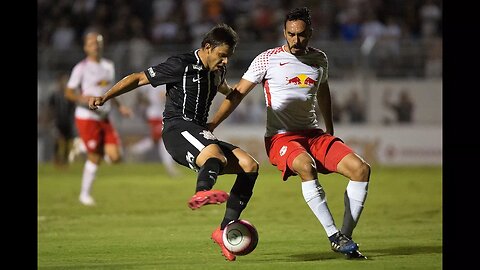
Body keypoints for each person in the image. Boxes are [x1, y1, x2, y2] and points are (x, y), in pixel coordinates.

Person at [208, 7, 370, 259]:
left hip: (314, 134)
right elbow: (237, 93)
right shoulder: (267, 59)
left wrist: (329, 129)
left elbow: (323, 91)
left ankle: (344, 237)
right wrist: (212, 124)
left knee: (361, 170)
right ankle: (333, 234)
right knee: (307, 167)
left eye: (301, 35)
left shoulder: (319, 58)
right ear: (284, 32)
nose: (296, 40)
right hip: (281, 137)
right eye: (291, 34)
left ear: (310, 33)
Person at [88, 24, 259, 261]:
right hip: (177, 129)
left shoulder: (216, 71)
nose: (225, 62)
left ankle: (224, 230)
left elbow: (226, 90)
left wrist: (237, 92)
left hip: (198, 133)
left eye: (228, 57)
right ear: (207, 48)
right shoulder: (181, 64)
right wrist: (106, 96)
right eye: (222, 56)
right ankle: (201, 192)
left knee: (250, 165)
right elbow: (138, 79)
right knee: (215, 157)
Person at [65, 31, 132, 206]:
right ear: (86, 47)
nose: (96, 46)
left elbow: (111, 91)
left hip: (104, 116)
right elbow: (69, 92)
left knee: (116, 157)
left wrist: (121, 107)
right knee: (95, 157)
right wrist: (84, 99)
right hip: (87, 117)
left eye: (98, 42)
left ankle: (82, 144)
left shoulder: (108, 66)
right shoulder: (81, 68)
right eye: (92, 43)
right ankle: (84, 195)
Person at [128, 83, 180, 177]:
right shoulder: (152, 77)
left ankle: (134, 151)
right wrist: (145, 103)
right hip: (154, 115)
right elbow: (139, 92)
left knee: (156, 140)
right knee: (164, 139)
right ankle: (170, 167)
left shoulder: (170, 78)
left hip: (165, 114)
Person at [46, 72, 76, 167]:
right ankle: (56, 159)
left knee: (68, 140)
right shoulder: (54, 95)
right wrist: (49, 119)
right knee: (58, 140)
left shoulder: (70, 95)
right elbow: (50, 108)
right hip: (57, 121)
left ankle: (65, 160)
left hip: (67, 121)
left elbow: (73, 108)